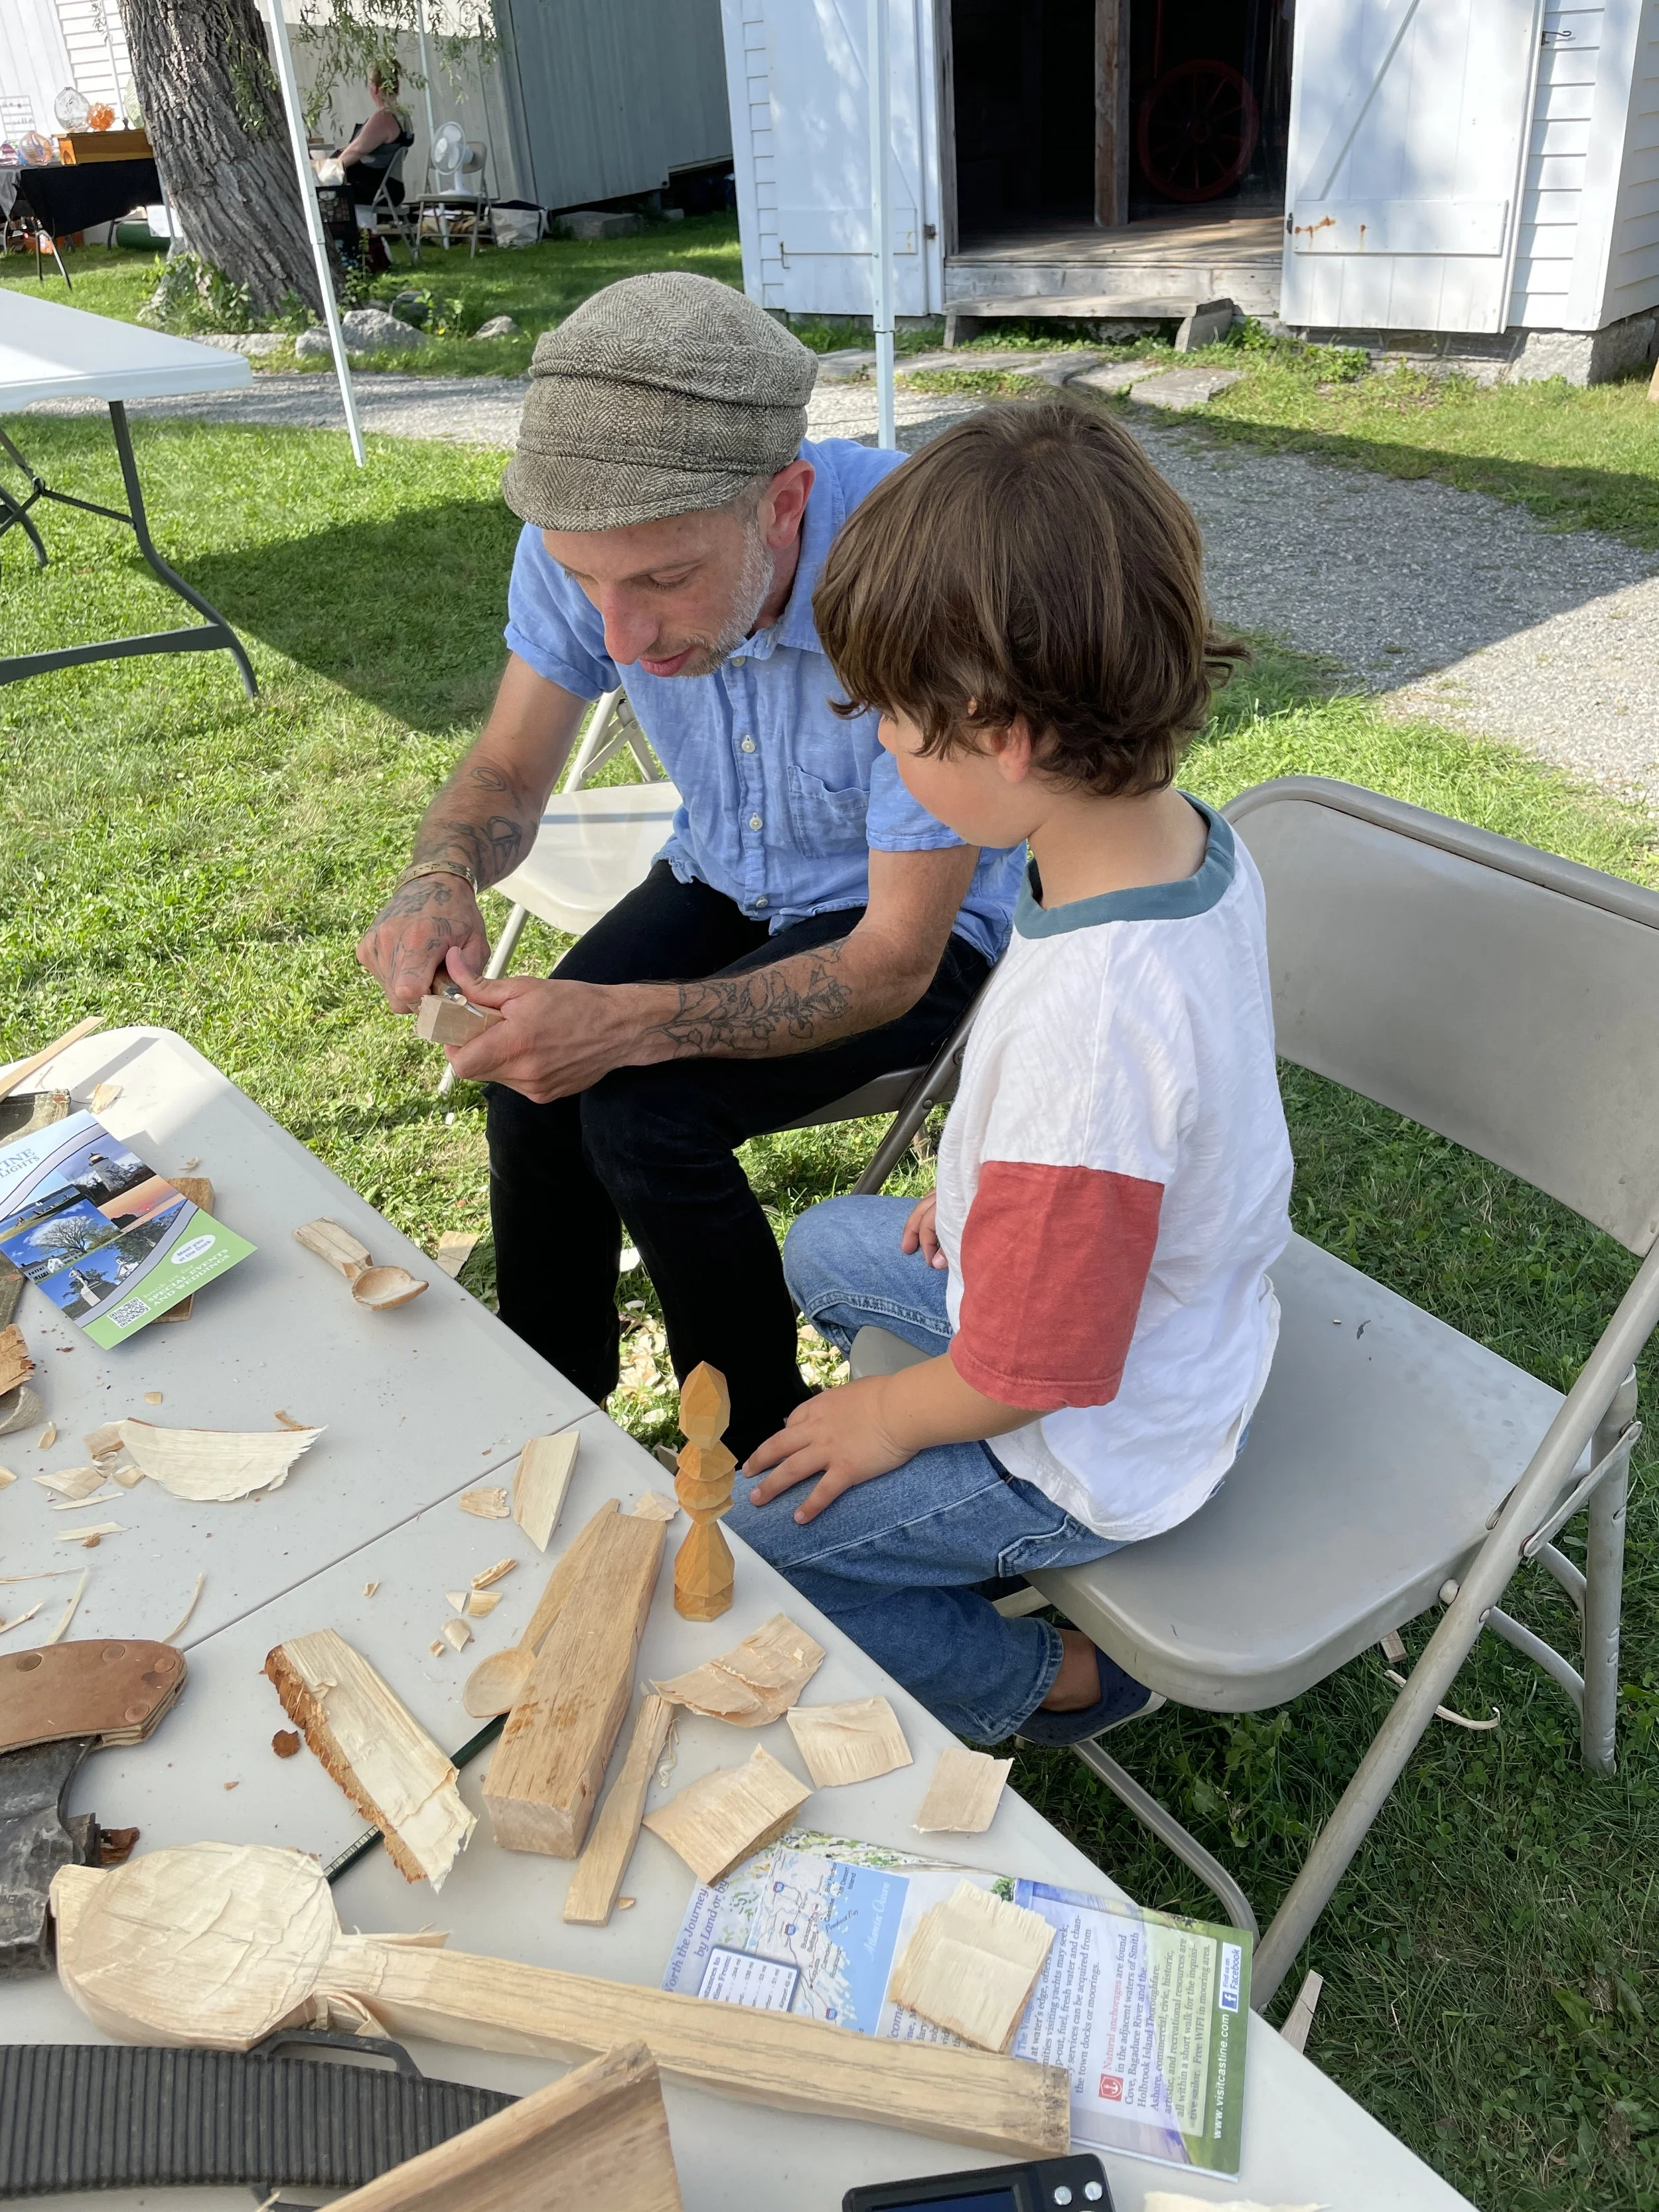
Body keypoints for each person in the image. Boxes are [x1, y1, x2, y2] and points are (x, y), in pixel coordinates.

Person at [356, 274, 1019, 1459]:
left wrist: (625, 1026)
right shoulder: (592, 537)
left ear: (784, 503)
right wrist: (441, 873)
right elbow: (508, 767)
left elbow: (892, 961)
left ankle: (753, 1450)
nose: (621, 634)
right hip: (724, 872)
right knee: (531, 1080)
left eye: (664, 582)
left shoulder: (923, 572)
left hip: (923, 928)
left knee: (642, 1113)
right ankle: (550, 1415)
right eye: (586, 583)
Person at [727, 399, 1293, 1747]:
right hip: (1170, 1319)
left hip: (1095, 1438)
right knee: (827, 1243)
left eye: (894, 717)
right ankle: (938, 1519)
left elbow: (1037, 1368)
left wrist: (884, 1418)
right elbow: (1130, 1142)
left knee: (760, 1538)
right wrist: (990, 1195)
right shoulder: (1174, 840)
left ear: (1001, 736)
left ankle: (1056, 1683)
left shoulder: (1091, 1034)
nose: (879, 740)